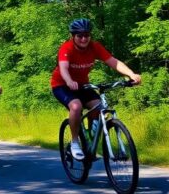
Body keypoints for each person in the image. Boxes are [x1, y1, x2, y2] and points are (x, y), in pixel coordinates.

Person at [50, 19, 141, 160]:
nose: (84, 38)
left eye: (86, 35)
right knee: (76, 106)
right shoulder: (66, 48)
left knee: (99, 106)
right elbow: (63, 68)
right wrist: (69, 81)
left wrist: (131, 74)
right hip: (62, 85)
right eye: (79, 36)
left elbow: (114, 62)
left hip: (83, 86)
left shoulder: (95, 47)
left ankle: (90, 140)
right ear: (72, 36)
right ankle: (75, 142)